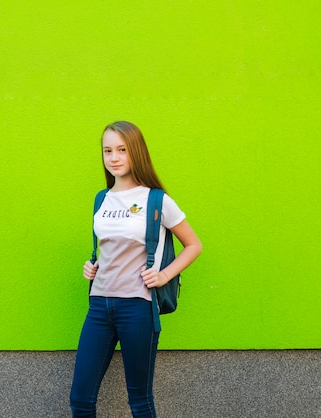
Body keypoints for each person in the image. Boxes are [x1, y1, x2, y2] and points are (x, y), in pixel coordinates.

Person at [70, 121, 203, 417]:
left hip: (138, 308)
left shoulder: (156, 200)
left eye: (122, 150)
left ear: (136, 153)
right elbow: (109, 246)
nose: (114, 157)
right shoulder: (101, 199)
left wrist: (165, 274)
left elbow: (194, 245)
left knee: (139, 401)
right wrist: (92, 265)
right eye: (108, 150)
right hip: (99, 306)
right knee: (80, 398)